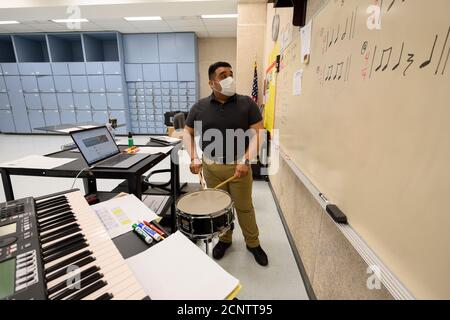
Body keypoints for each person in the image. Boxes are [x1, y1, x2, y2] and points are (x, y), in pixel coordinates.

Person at [183, 61, 268, 266]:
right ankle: (224, 239)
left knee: (244, 207)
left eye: (231, 73)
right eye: (223, 75)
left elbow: (259, 133)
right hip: (211, 167)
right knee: (219, 207)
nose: (230, 78)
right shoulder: (199, 107)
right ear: (212, 82)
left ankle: (253, 243)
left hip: (239, 167)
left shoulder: (247, 103)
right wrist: (194, 157)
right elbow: (187, 132)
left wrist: (246, 160)